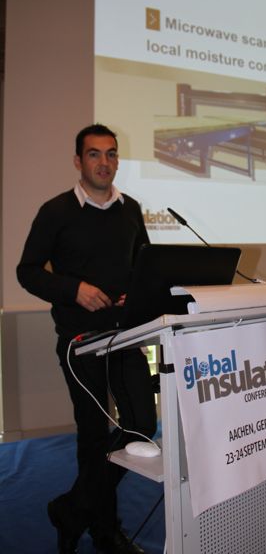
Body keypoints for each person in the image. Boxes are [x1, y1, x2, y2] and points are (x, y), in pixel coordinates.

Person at [16, 124, 157, 554]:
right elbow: (27, 271)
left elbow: (143, 266)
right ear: (78, 161)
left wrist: (137, 291)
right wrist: (73, 289)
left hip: (125, 337)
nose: (104, 162)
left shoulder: (131, 210)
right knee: (94, 435)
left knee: (141, 427)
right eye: (94, 154)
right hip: (81, 343)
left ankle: (72, 509)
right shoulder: (56, 211)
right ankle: (105, 531)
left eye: (111, 154)